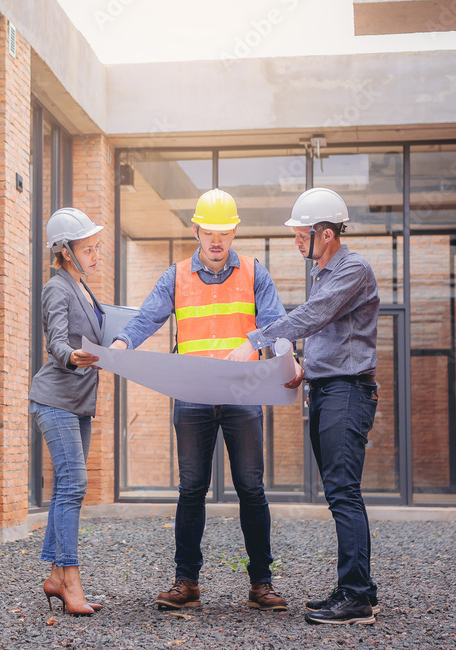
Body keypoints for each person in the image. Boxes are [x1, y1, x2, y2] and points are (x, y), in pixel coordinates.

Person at [111, 189, 300, 612]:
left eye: (225, 233)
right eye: (209, 232)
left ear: (234, 232)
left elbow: (277, 325)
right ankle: (187, 583)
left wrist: (288, 359)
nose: (217, 241)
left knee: (251, 488)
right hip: (193, 398)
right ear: (196, 230)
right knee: (191, 488)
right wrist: (123, 342)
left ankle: (261, 585)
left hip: (242, 395)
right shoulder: (175, 276)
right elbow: (147, 317)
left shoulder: (255, 272)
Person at [227, 187, 381, 626]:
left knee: (342, 492)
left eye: (300, 234)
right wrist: (306, 365)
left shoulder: (352, 269)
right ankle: (361, 588)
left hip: (347, 391)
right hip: (327, 388)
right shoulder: (323, 271)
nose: (296, 241)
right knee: (341, 492)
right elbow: (324, 332)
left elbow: (314, 316)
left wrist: (253, 341)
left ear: (326, 234)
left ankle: (355, 598)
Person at [29, 207, 107, 617]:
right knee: (75, 482)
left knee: (66, 486)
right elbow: (56, 339)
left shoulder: (85, 289)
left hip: (79, 404)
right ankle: (70, 579)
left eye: (97, 248)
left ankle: (57, 577)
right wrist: (71, 356)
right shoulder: (56, 288)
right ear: (64, 251)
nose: (96, 255)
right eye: (88, 249)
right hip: (55, 398)